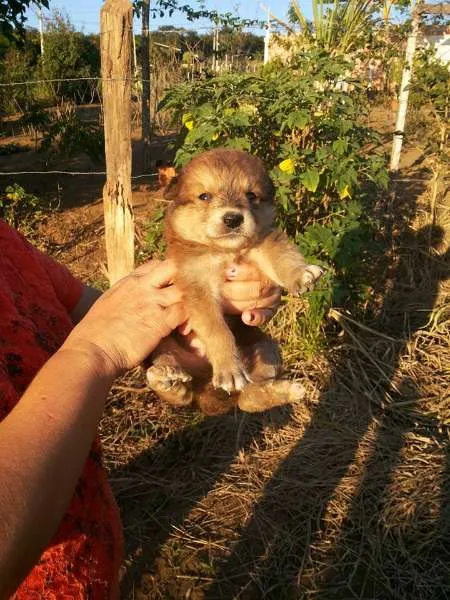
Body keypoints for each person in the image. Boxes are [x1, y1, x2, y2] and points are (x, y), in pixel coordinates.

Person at [0, 218, 281, 599]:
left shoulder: (6, 240)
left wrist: (200, 310)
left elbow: (89, 307)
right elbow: (99, 333)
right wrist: (94, 352)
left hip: (93, 559)